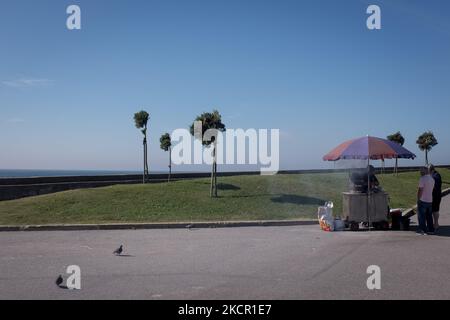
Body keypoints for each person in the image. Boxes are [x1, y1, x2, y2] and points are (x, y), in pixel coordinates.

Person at [417, 167, 435, 235]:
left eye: (420, 171)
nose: (420, 173)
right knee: (429, 216)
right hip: (430, 200)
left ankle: (422, 230)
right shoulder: (432, 179)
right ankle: (431, 230)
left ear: (423, 171)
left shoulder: (422, 179)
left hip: (423, 200)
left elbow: (420, 190)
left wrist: (418, 199)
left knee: (421, 216)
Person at [428, 164, 442, 231]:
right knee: (435, 210)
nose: (428, 173)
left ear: (432, 170)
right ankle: (436, 224)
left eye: (429, 171)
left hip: (435, 196)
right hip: (436, 195)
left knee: (435, 210)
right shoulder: (435, 175)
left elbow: (433, 187)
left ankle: (436, 224)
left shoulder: (435, 176)